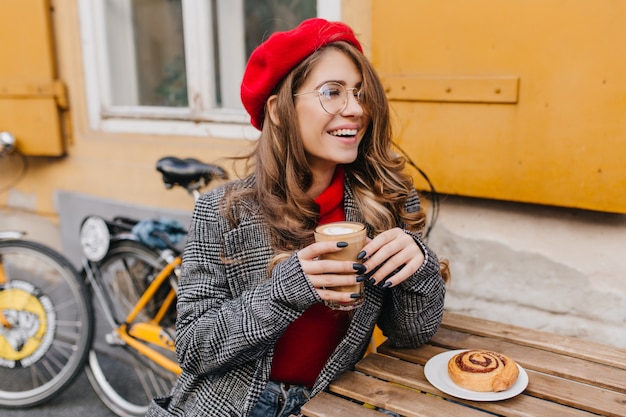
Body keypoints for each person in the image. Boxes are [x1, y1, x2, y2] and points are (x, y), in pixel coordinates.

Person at [147, 17, 449, 417]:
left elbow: (412, 335)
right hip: (235, 403)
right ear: (278, 109)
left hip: (333, 401)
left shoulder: (388, 200)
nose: (356, 109)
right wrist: (284, 290)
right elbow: (192, 347)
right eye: (332, 92)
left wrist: (419, 266)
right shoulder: (224, 211)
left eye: (360, 93)